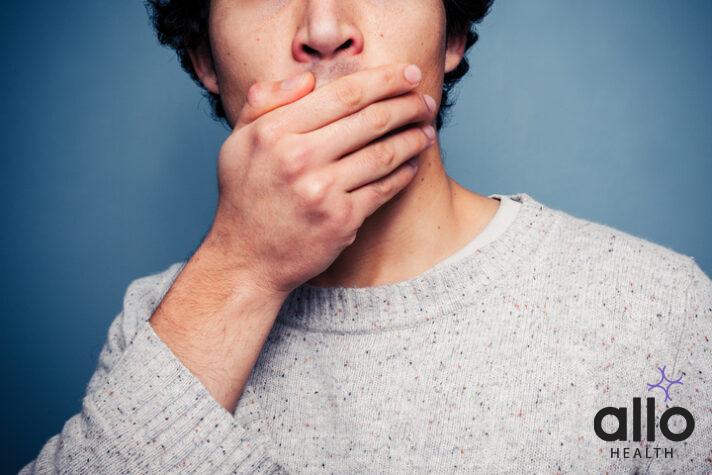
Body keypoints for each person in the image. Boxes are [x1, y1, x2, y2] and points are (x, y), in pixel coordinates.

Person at [22, 0, 711, 473]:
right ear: (205, 57)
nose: (324, 28)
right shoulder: (163, 325)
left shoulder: (660, 310)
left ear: (451, 36)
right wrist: (242, 269)